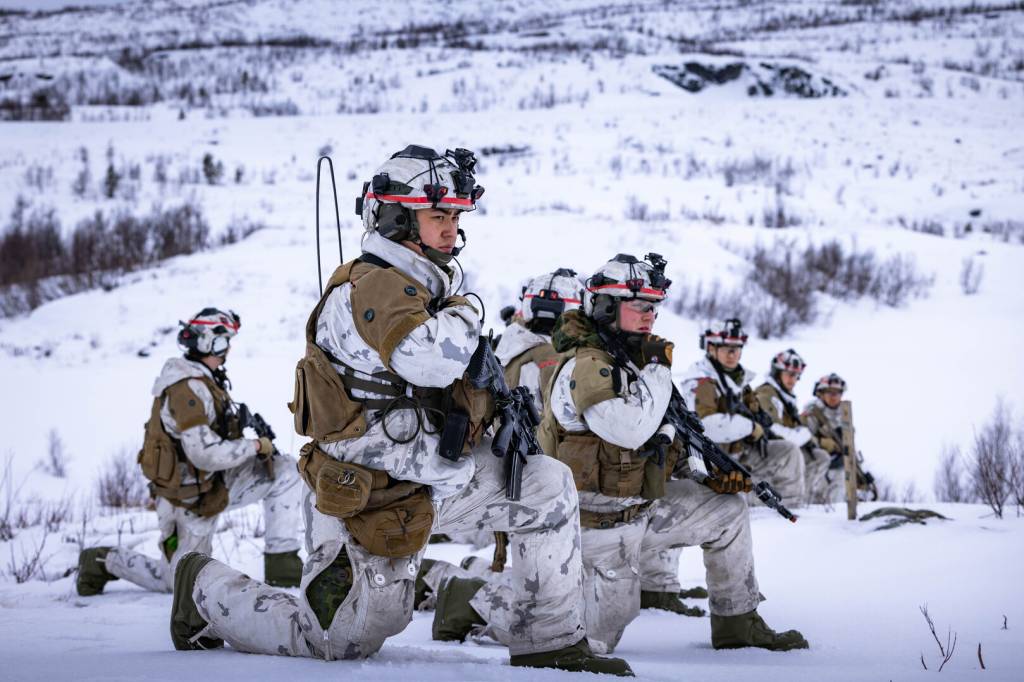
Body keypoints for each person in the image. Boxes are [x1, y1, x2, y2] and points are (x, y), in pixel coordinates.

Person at [168, 145, 631, 675]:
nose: (451, 229)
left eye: (456, 216)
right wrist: (468, 308)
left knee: (546, 485)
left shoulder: (423, 285)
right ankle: (201, 587)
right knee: (338, 643)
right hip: (366, 492)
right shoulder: (374, 287)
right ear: (395, 218)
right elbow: (431, 363)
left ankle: (548, 641)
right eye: (438, 216)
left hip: (434, 476)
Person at [434, 254, 808, 654]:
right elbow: (628, 428)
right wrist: (660, 370)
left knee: (727, 511)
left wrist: (704, 474)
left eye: (654, 308)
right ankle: (468, 594)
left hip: (638, 512)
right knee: (593, 636)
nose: (651, 316)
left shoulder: (630, 359)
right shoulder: (586, 364)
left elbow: (667, 434)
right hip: (587, 528)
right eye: (640, 306)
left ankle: (739, 623)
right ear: (608, 308)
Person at [76, 308, 303, 595]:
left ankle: (283, 567)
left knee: (285, 471)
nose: (227, 350)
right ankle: (101, 560)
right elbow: (204, 454)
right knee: (177, 582)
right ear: (208, 343)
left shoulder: (205, 378)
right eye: (223, 342)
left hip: (214, 482)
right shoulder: (186, 388)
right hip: (187, 498)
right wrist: (256, 446)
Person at [679, 319, 808, 506]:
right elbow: (705, 426)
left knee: (788, 451)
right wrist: (749, 427)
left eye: (737, 349)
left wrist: (760, 425)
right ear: (711, 348)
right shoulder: (701, 380)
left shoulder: (739, 380)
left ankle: (790, 506)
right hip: (714, 459)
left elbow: (757, 416)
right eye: (727, 349)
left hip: (742, 451)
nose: (733, 355)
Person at [754, 349, 830, 504]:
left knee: (820, 457)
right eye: (789, 374)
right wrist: (803, 435)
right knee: (793, 452)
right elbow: (773, 429)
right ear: (778, 373)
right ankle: (788, 503)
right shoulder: (767, 394)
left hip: (784, 447)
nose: (793, 379)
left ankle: (802, 500)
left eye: (796, 375)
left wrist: (807, 437)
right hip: (763, 449)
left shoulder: (786, 397)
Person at [801, 373, 876, 503]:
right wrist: (822, 443)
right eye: (829, 392)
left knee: (840, 494)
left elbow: (850, 447)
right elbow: (802, 438)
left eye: (837, 392)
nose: (834, 396)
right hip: (815, 463)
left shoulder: (844, 415)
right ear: (821, 393)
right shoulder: (812, 413)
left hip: (839, 466)